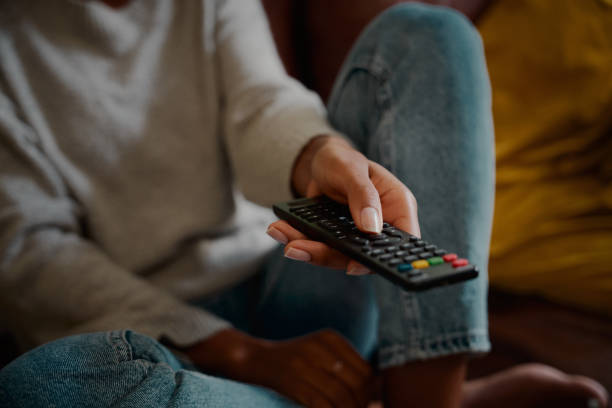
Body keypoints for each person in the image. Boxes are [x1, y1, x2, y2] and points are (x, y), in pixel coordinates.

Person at [0, 0, 607, 407]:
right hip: (157, 339)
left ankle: (431, 396)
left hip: (287, 270)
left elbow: (261, 103)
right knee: (43, 385)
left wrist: (320, 155)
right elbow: (31, 253)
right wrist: (241, 354)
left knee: (429, 32)